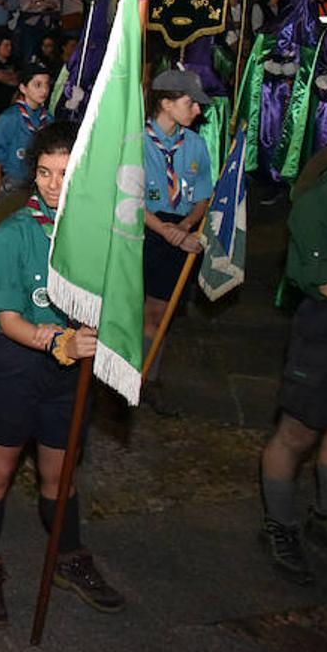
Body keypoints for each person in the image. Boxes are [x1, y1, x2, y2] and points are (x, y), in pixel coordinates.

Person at [0, 121, 125, 629]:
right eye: (45, 172)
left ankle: (69, 555)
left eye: (66, 172)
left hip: (69, 378)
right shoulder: (9, 232)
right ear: (32, 172)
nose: (55, 184)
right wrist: (57, 340)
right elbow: (9, 317)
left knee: (61, 476)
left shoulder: (98, 235)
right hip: (14, 370)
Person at [257, 154, 327, 585]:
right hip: (324, 332)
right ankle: (279, 525)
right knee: (296, 434)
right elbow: (323, 279)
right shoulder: (322, 200)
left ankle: (326, 515)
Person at [140, 70, 213, 416]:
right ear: (166, 103)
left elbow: (202, 195)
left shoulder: (195, 145)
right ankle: (134, 377)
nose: (197, 111)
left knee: (163, 313)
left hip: (181, 231)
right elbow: (127, 198)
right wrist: (166, 231)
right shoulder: (136, 143)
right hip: (145, 231)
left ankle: (148, 376)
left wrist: (184, 226)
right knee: (144, 310)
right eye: (190, 104)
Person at [0, 60, 52, 199]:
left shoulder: (48, 118)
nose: (44, 90)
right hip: (14, 183)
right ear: (23, 88)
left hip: (39, 182)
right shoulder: (10, 118)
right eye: (38, 85)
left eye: (47, 85)